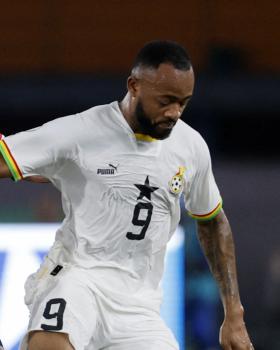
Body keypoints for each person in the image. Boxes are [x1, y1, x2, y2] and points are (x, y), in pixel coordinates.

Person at [0, 40, 253, 350]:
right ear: (134, 85)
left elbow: (212, 223)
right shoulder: (80, 131)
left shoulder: (191, 146)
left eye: (183, 103)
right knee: (50, 343)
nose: (174, 112)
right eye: (166, 100)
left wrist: (234, 314)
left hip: (138, 305)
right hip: (77, 276)